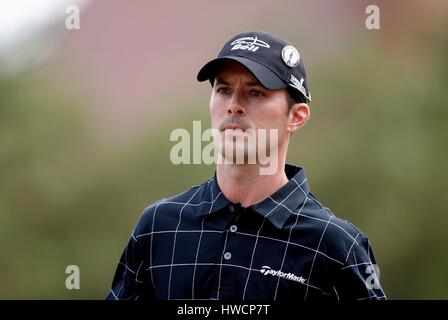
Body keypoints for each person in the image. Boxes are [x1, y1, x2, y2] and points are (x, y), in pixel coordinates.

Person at [106, 31, 386, 300]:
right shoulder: (159, 227)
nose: (234, 105)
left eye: (255, 93)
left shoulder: (335, 246)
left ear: (296, 116)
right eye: (224, 89)